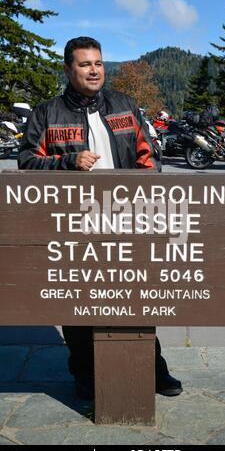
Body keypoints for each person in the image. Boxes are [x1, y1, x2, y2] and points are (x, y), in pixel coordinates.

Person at [18, 36, 183, 400]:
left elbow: (149, 155)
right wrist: (67, 162)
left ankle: (153, 369)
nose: (94, 70)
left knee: (136, 298)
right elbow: (27, 162)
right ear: (68, 69)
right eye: (84, 64)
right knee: (76, 304)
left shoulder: (124, 104)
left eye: (98, 63)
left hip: (124, 219)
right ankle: (86, 374)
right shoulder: (46, 113)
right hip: (73, 223)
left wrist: (144, 197)